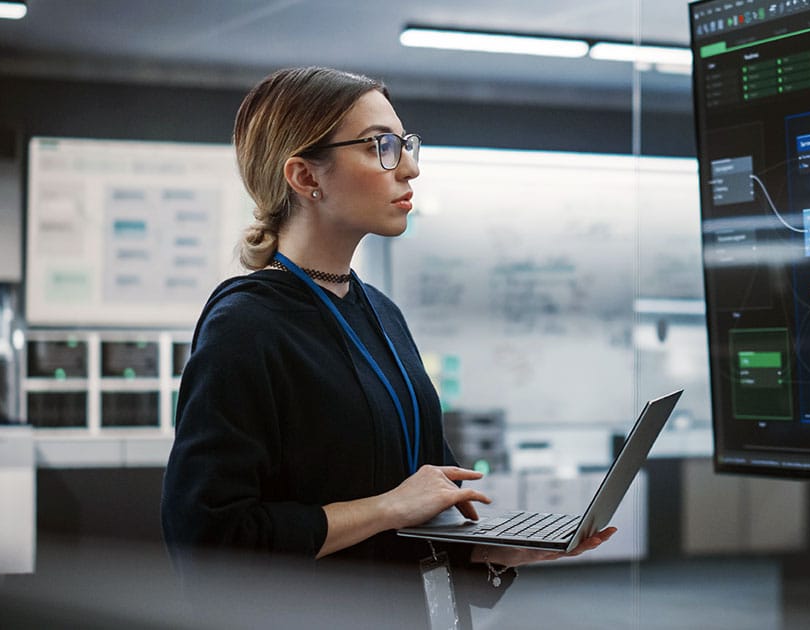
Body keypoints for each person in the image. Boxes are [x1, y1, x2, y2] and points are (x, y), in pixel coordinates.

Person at [161, 66, 615, 628]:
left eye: (405, 144)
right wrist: (387, 508)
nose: (410, 167)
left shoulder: (380, 311)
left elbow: (419, 515)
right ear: (306, 176)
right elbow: (208, 542)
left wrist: (495, 549)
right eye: (382, 146)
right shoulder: (245, 325)